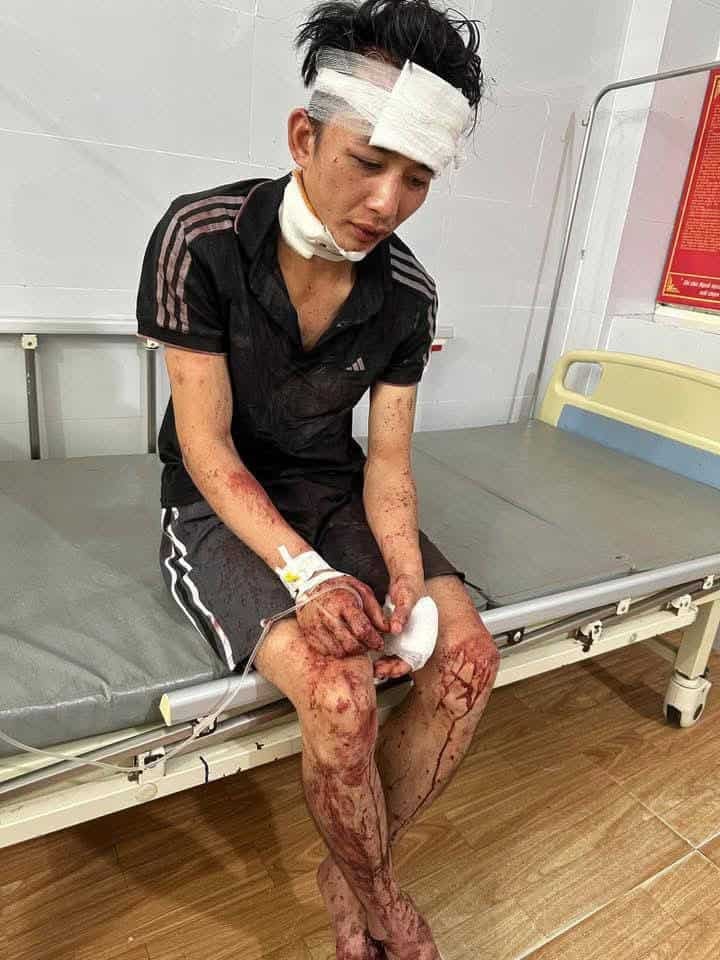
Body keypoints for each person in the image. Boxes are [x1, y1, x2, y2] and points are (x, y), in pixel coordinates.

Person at [136, 1, 500, 956]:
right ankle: (381, 900)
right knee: (340, 698)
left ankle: (352, 872)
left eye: (416, 179)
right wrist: (309, 576)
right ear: (305, 137)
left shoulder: (407, 294)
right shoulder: (201, 238)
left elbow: (388, 463)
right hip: (218, 505)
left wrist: (402, 569)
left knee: (468, 659)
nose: (387, 203)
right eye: (368, 162)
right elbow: (207, 449)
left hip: (332, 489)